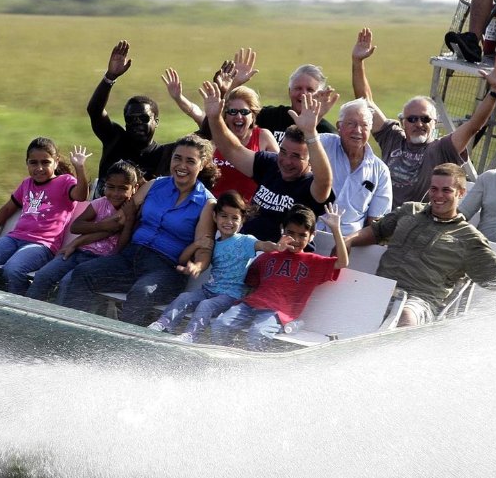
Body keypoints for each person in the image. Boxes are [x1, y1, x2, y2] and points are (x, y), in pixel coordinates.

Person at [345, 163, 496, 327]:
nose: (438, 196)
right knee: (342, 302)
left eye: (446, 190)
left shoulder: (468, 237)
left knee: (404, 317)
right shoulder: (409, 211)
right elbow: (376, 231)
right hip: (380, 290)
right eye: (434, 189)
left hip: (419, 303)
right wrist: (348, 240)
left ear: (461, 193)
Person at [58, 135, 218, 324]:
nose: (181, 166)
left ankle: (126, 349)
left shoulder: (206, 203)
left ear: (203, 164)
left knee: (141, 293)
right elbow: (118, 220)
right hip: (131, 257)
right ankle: (74, 333)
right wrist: (78, 240)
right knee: (84, 273)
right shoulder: (154, 185)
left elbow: (204, 247)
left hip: (165, 268)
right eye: (177, 158)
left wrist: (197, 266)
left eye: (190, 161)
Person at [351, 27, 496, 208]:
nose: (419, 124)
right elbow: (366, 103)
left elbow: (474, 125)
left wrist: (495, 91)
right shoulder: (392, 137)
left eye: (425, 119)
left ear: (434, 123)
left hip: (414, 223)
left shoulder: (442, 149)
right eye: (412, 119)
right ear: (402, 122)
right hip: (379, 218)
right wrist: (357, 62)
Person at [200, 80, 334, 243]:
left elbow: (325, 180)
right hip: (244, 249)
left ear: (310, 162)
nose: (286, 161)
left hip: (279, 260)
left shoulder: (310, 186)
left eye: (296, 156)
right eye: (283, 152)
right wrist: (215, 118)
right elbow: (232, 150)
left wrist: (311, 134)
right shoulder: (270, 164)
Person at [146, 190, 287, 343]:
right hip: (209, 290)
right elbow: (184, 258)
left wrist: (277, 246)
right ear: (215, 217)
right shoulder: (212, 241)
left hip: (230, 296)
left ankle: (191, 335)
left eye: (235, 218)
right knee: (184, 297)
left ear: (242, 220)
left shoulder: (245, 241)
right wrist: (196, 251)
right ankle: (165, 324)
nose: (229, 222)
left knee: (206, 305)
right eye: (224, 216)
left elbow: (263, 245)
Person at [209, 203, 348, 350]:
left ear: (312, 235)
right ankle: (223, 362)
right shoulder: (268, 256)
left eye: (302, 235)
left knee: (257, 333)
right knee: (220, 325)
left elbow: (342, 262)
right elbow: (250, 284)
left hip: (278, 313)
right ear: (282, 229)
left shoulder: (313, 262)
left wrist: (336, 229)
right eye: (290, 233)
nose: (295, 239)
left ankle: (250, 370)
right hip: (250, 304)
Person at [0, 138, 90, 295]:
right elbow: (6, 209)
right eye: (33, 163)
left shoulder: (65, 182)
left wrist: (80, 168)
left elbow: (82, 195)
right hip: (14, 239)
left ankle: (19, 306)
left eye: (45, 162)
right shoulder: (26, 184)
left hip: (42, 245)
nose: (39, 168)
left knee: (13, 269)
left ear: (56, 162)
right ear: (27, 163)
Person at [160, 57, 278, 202]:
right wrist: (178, 97)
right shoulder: (215, 132)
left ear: (253, 116)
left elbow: (278, 171)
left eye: (245, 112)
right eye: (232, 112)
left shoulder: (263, 137)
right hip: (214, 209)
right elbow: (195, 111)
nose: (238, 116)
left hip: (249, 211)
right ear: (225, 116)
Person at [25, 160, 141, 302]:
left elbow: (121, 247)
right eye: (110, 187)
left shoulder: (132, 212)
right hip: (78, 252)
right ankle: (29, 314)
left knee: (68, 283)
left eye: (123, 188)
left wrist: (129, 220)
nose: (116, 193)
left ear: (134, 188)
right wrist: (103, 226)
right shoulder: (100, 204)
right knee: (44, 275)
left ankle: (60, 320)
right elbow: (76, 226)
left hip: (100, 261)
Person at [87, 39, 175, 192]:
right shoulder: (114, 139)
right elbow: (94, 110)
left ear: (156, 121)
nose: (137, 123)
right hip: (103, 210)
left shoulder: (166, 154)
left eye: (143, 118)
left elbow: (205, 136)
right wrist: (110, 77)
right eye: (131, 119)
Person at [222, 50, 336, 143]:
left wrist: (317, 118)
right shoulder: (270, 117)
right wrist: (234, 84)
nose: (303, 94)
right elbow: (226, 118)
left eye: (310, 90)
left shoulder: (327, 132)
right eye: (298, 88)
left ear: (320, 95)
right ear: (289, 91)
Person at [317, 97, 392, 235]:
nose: (357, 130)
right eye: (351, 124)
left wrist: (349, 243)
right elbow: (296, 145)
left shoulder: (380, 171)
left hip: (350, 242)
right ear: (339, 126)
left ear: (370, 129)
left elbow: (375, 223)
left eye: (364, 125)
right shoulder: (322, 144)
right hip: (309, 235)